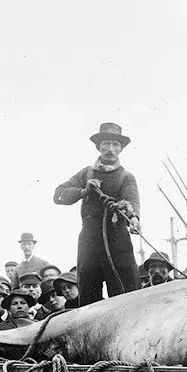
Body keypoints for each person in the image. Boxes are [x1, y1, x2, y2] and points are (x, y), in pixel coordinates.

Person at [53, 122, 142, 305]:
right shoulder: (86, 173)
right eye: (106, 143)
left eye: (115, 145)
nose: (110, 149)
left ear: (121, 149)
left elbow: (132, 202)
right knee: (88, 294)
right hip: (90, 238)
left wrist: (133, 218)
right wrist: (83, 191)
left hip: (118, 239)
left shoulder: (126, 177)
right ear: (98, 146)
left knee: (127, 294)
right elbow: (59, 195)